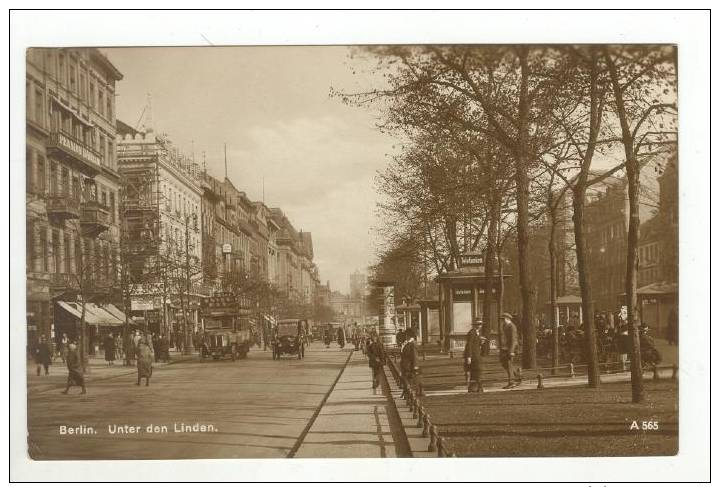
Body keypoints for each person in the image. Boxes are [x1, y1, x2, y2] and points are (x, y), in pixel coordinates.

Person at [499, 312, 522, 389]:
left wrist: (511, 351)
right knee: (504, 363)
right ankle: (518, 376)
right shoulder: (505, 326)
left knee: (508, 364)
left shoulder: (512, 327)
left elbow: (513, 340)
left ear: (508, 319)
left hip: (511, 348)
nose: (502, 320)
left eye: (504, 319)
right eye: (502, 319)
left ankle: (511, 382)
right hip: (505, 348)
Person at [464, 318, 486, 393]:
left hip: (477, 355)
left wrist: (481, 342)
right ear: (475, 325)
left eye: (480, 324)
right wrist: (469, 357)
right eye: (478, 324)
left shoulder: (477, 333)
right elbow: (469, 345)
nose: (480, 326)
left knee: (476, 371)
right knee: (477, 371)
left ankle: (475, 388)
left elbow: (476, 344)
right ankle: (477, 388)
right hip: (473, 355)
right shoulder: (472, 333)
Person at [401, 328, 423, 396]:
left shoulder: (412, 344)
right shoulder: (408, 343)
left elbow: (414, 355)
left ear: (409, 335)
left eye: (406, 335)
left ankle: (414, 393)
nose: (405, 336)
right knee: (408, 379)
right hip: (406, 365)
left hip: (409, 365)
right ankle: (408, 393)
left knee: (410, 379)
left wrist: (415, 366)